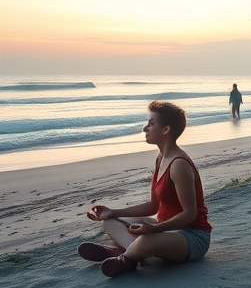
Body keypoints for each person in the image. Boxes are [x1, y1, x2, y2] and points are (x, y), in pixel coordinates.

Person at [78, 101, 213, 278]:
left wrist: (154, 229)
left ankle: (125, 258)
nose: (145, 128)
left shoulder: (179, 164)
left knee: (147, 240)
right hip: (166, 230)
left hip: (192, 238)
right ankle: (133, 252)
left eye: (151, 124)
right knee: (111, 222)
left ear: (165, 130)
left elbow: (190, 214)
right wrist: (112, 212)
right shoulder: (161, 158)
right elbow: (153, 206)